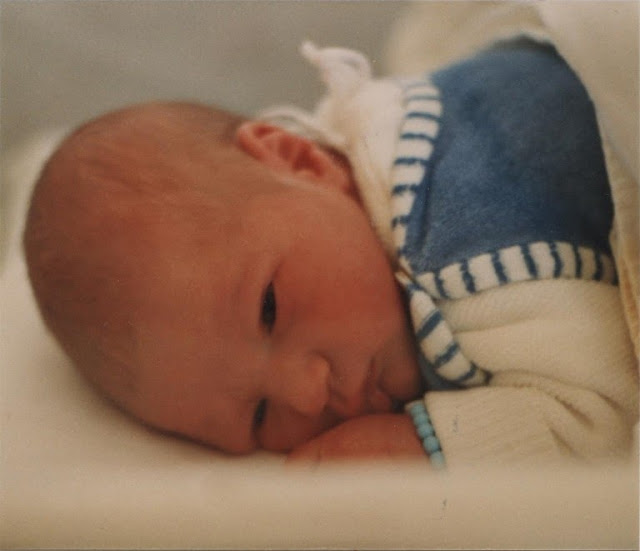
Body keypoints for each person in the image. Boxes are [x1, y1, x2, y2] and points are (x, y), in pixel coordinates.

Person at [23, 38, 638, 469]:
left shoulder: (459, 254)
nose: (307, 393)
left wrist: (423, 447)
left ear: (299, 158)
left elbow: (602, 412)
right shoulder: (368, 150)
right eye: (259, 415)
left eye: (269, 309)